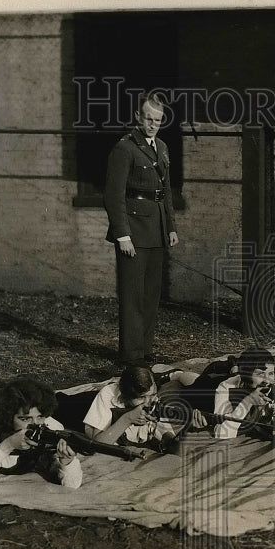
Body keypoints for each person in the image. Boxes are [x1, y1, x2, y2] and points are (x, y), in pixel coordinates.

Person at [104, 92, 179, 364]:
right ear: (138, 117)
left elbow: (165, 191)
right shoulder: (125, 148)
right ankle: (131, 354)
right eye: (148, 118)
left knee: (150, 294)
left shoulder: (162, 147)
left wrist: (170, 226)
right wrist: (122, 234)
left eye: (157, 120)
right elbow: (114, 195)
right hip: (133, 232)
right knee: (133, 295)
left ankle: (144, 349)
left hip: (156, 230)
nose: (152, 124)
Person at [0, 377, 83, 488]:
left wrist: (67, 463)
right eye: (25, 419)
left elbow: (72, 485)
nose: (36, 424)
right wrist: (7, 446)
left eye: (40, 417)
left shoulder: (53, 426)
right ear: (9, 416)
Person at [82, 365, 184, 453]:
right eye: (141, 397)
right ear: (125, 396)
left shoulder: (151, 396)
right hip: (82, 405)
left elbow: (168, 438)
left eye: (152, 395)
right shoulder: (108, 395)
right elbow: (97, 445)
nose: (147, 402)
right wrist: (127, 419)